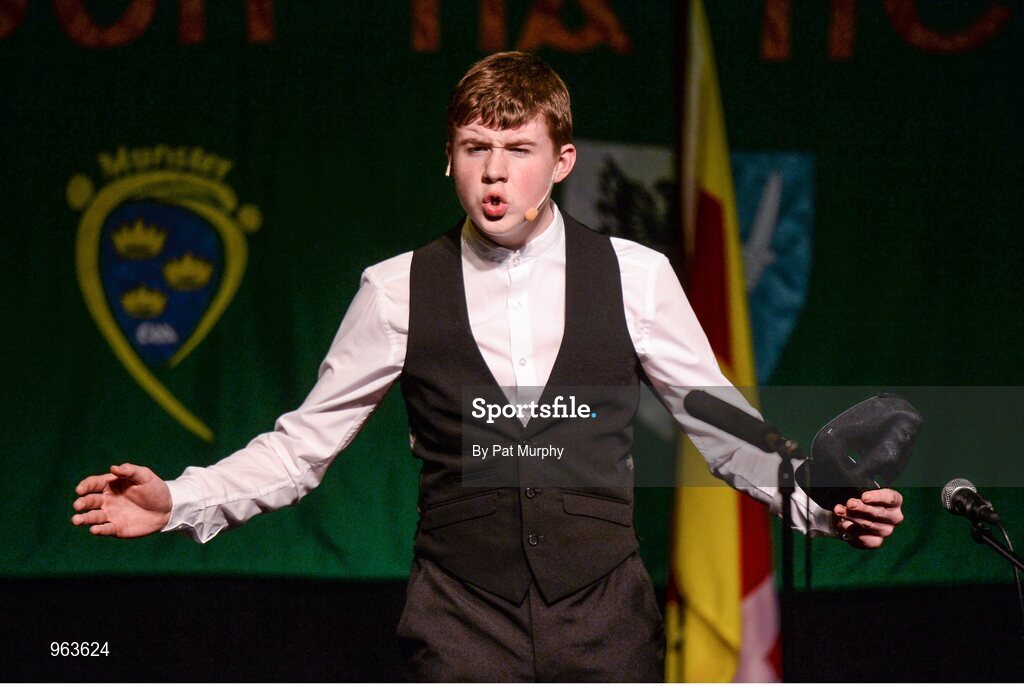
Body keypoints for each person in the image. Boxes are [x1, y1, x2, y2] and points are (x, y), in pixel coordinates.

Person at [72, 51, 905, 681]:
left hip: (606, 625)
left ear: (563, 161)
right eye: (476, 147)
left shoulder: (636, 276)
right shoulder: (395, 290)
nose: (495, 170)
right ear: (449, 157)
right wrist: (178, 498)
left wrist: (826, 511)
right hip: (459, 626)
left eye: (518, 146)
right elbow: (301, 449)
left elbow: (723, 429)